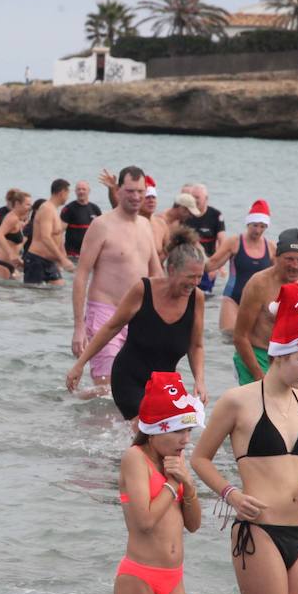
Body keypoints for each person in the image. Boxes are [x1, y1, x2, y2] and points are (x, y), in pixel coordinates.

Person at [192, 282, 298, 594]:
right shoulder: (237, 400)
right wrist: (232, 495)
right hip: (259, 531)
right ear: (280, 353)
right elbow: (199, 459)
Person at [67, 229, 206, 416]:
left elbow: (196, 345)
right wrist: (80, 364)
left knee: (181, 428)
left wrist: (199, 381)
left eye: (199, 276)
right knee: (147, 428)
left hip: (164, 383)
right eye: (190, 276)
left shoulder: (197, 298)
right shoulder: (144, 289)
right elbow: (111, 327)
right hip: (129, 379)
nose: (195, 282)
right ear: (171, 269)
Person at [113, 371, 203, 594]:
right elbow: (144, 522)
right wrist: (173, 483)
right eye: (177, 432)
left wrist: (189, 483)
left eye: (188, 431)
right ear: (153, 432)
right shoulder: (135, 458)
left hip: (173, 578)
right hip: (139, 577)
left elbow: (194, 525)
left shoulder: (176, 458)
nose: (185, 440)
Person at [71, 167, 161, 394]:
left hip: (137, 316)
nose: (136, 197)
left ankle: (79, 401)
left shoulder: (146, 226)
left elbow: (157, 276)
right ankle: (97, 428)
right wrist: (79, 327)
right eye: (130, 191)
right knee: (108, 389)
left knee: (133, 387)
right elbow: (81, 275)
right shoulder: (102, 225)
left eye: (141, 191)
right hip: (103, 312)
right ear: (119, 190)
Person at [233, 229, 298, 384]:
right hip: (258, 355)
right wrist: (259, 375)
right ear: (276, 257)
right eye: (289, 259)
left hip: (290, 358)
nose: (295, 266)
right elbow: (240, 336)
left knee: (287, 407)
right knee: (260, 406)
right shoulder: (259, 284)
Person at [202, 200, 275, 335]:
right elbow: (211, 264)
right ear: (248, 223)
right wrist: (186, 268)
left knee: (258, 340)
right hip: (233, 299)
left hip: (259, 303)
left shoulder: (271, 247)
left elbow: (284, 272)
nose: (258, 230)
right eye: (255, 225)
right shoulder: (234, 243)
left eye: (262, 226)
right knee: (229, 338)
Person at [22, 179, 74, 285]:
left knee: (59, 290)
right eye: (68, 193)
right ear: (62, 192)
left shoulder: (54, 210)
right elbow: (46, 237)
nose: (68, 197)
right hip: (36, 260)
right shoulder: (47, 209)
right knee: (33, 296)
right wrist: (62, 259)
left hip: (49, 262)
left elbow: (57, 237)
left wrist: (62, 258)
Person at [182, 183, 224, 294]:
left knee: (205, 296)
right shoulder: (186, 214)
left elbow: (222, 241)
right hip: (188, 264)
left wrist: (216, 266)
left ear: (206, 199)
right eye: (192, 197)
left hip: (208, 264)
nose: (194, 200)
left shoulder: (215, 215)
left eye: (197, 197)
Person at [0, 189, 30, 279]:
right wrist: (11, 254)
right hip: (1, 264)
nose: (29, 207)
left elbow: (14, 243)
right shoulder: (12, 218)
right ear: (18, 204)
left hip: (11, 266)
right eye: (27, 204)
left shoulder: (18, 220)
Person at [60, 180, 103, 259]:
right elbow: (58, 233)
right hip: (72, 255)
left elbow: (101, 232)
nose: (81, 192)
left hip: (90, 254)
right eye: (79, 189)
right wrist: (61, 253)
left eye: (84, 189)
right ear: (75, 191)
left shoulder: (95, 209)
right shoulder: (68, 209)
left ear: (89, 191)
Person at [151, 192, 198, 263]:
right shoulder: (159, 220)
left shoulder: (179, 222)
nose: (190, 216)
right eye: (189, 213)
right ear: (182, 208)